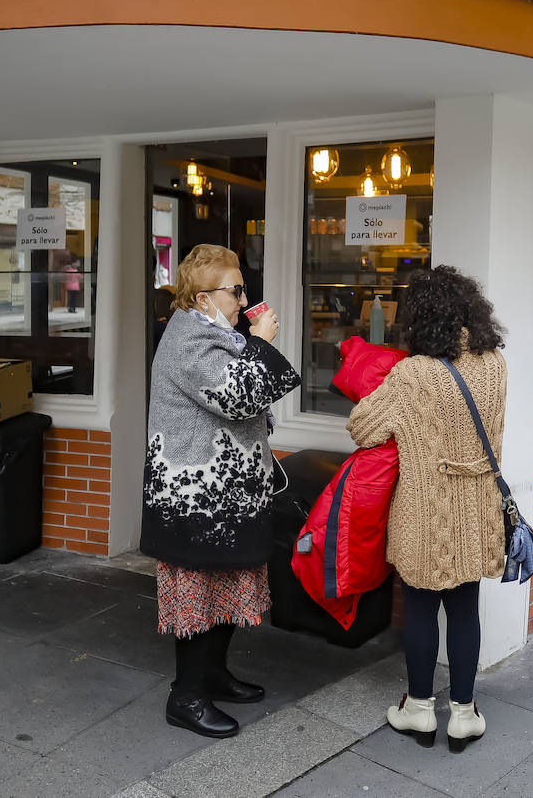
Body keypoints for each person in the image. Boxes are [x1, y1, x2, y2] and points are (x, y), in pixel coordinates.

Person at [141, 244, 300, 739]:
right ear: (203, 297)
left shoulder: (217, 335)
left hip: (226, 494)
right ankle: (185, 696)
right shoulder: (190, 342)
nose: (243, 298)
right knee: (197, 593)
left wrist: (251, 344)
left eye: (241, 288)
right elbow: (241, 396)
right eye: (235, 290)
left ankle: (212, 675)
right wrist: (260, 342)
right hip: (194, 498)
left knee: (227, 585)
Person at [347, 265, 507, 748]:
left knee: (419, 609)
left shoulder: (413, 374)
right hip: (478, 509)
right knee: (465, 609)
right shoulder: (496, 362)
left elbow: (363, 427)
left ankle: (418, 709)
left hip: (423, 510)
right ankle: (464, 712)